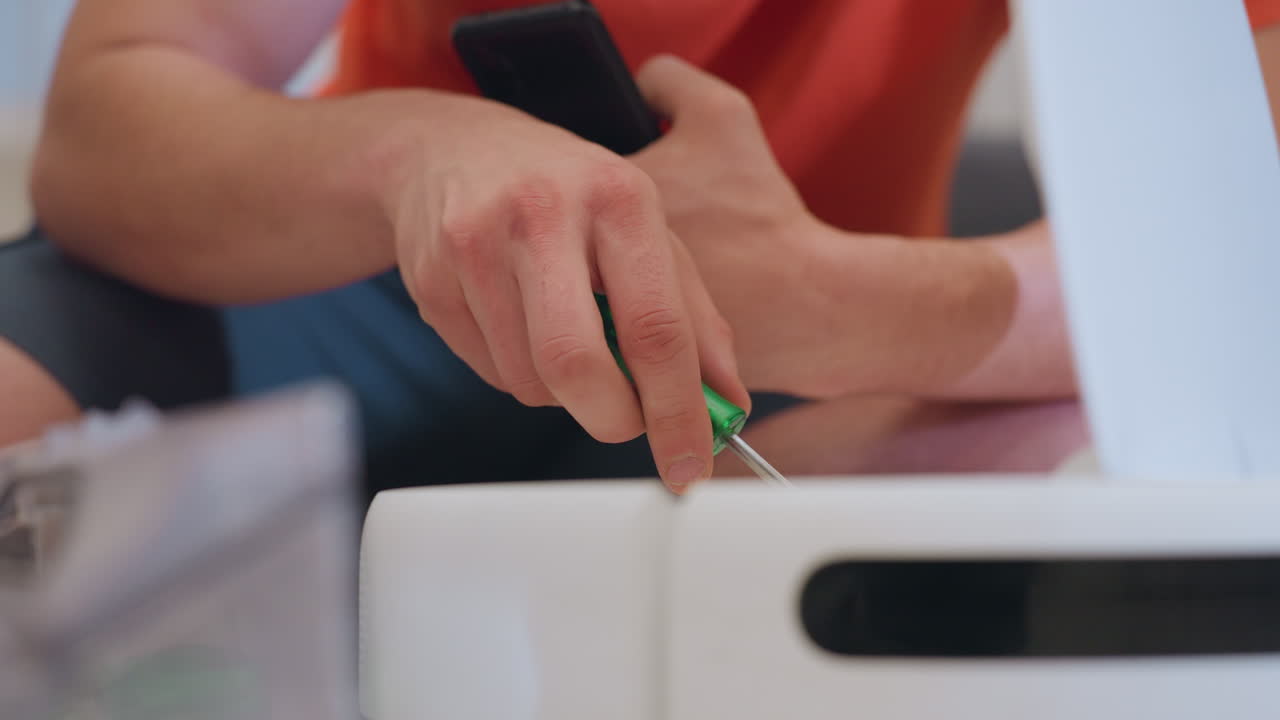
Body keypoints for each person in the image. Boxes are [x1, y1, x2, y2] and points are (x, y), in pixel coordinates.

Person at [2, 0, 1279, 494]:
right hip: (353, 270)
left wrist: (877, 302)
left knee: (1108, 476)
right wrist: (411, 155)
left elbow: (1246, 218)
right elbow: (114, 115)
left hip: (797, 356)